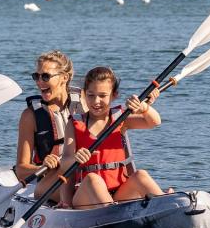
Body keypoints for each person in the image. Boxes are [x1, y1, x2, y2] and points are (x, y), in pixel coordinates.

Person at [58, 66, 168, 209]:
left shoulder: (120, 118)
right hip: (86, 195)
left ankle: (166, 205)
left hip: (118, 194)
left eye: (103, 96)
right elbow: (65, 161)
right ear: (84, 95)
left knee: (140, 175)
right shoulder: (74, 124)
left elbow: (154, 122)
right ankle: (113, 216)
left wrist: (144, 108)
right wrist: (75, 158)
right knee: (93, 179)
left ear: (114, 95)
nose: (96, 101)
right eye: (91, 95)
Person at [15, 50, 81, 201]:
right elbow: (20, 169)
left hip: (83, 174)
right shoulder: (30, 116)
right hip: (51, 180)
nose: (39, 82)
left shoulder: (85, 102)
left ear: (65, 77)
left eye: (45, 76)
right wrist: (42, 168)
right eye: (36, 76)